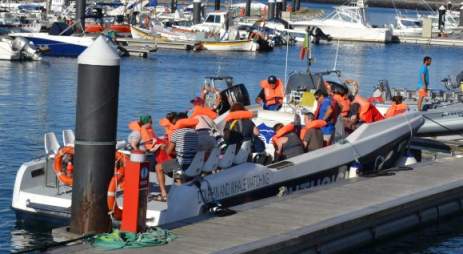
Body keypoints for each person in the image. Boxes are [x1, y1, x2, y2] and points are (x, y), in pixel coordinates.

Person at [155, 113, 199, 201]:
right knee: (175, 163)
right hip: (193, 165)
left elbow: (168, 152)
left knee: (158, 167)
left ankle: (164, 194)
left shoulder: (177, 133)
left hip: (181, 166)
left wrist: (163, 148)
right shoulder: (195, 133)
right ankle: (180, 186)